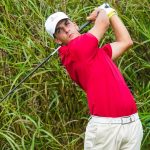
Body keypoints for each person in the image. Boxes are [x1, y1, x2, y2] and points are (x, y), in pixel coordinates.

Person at [45, 3, 143, 150]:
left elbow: (125, 41)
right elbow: (103, 22)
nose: (66, 29)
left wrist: (110, 11)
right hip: (106, 129)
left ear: (75, 24)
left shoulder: (96, 54)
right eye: (59, 31)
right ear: (58, 40)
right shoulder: (77, 48)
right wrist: (101, 10)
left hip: (132, 124)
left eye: (67, 24)